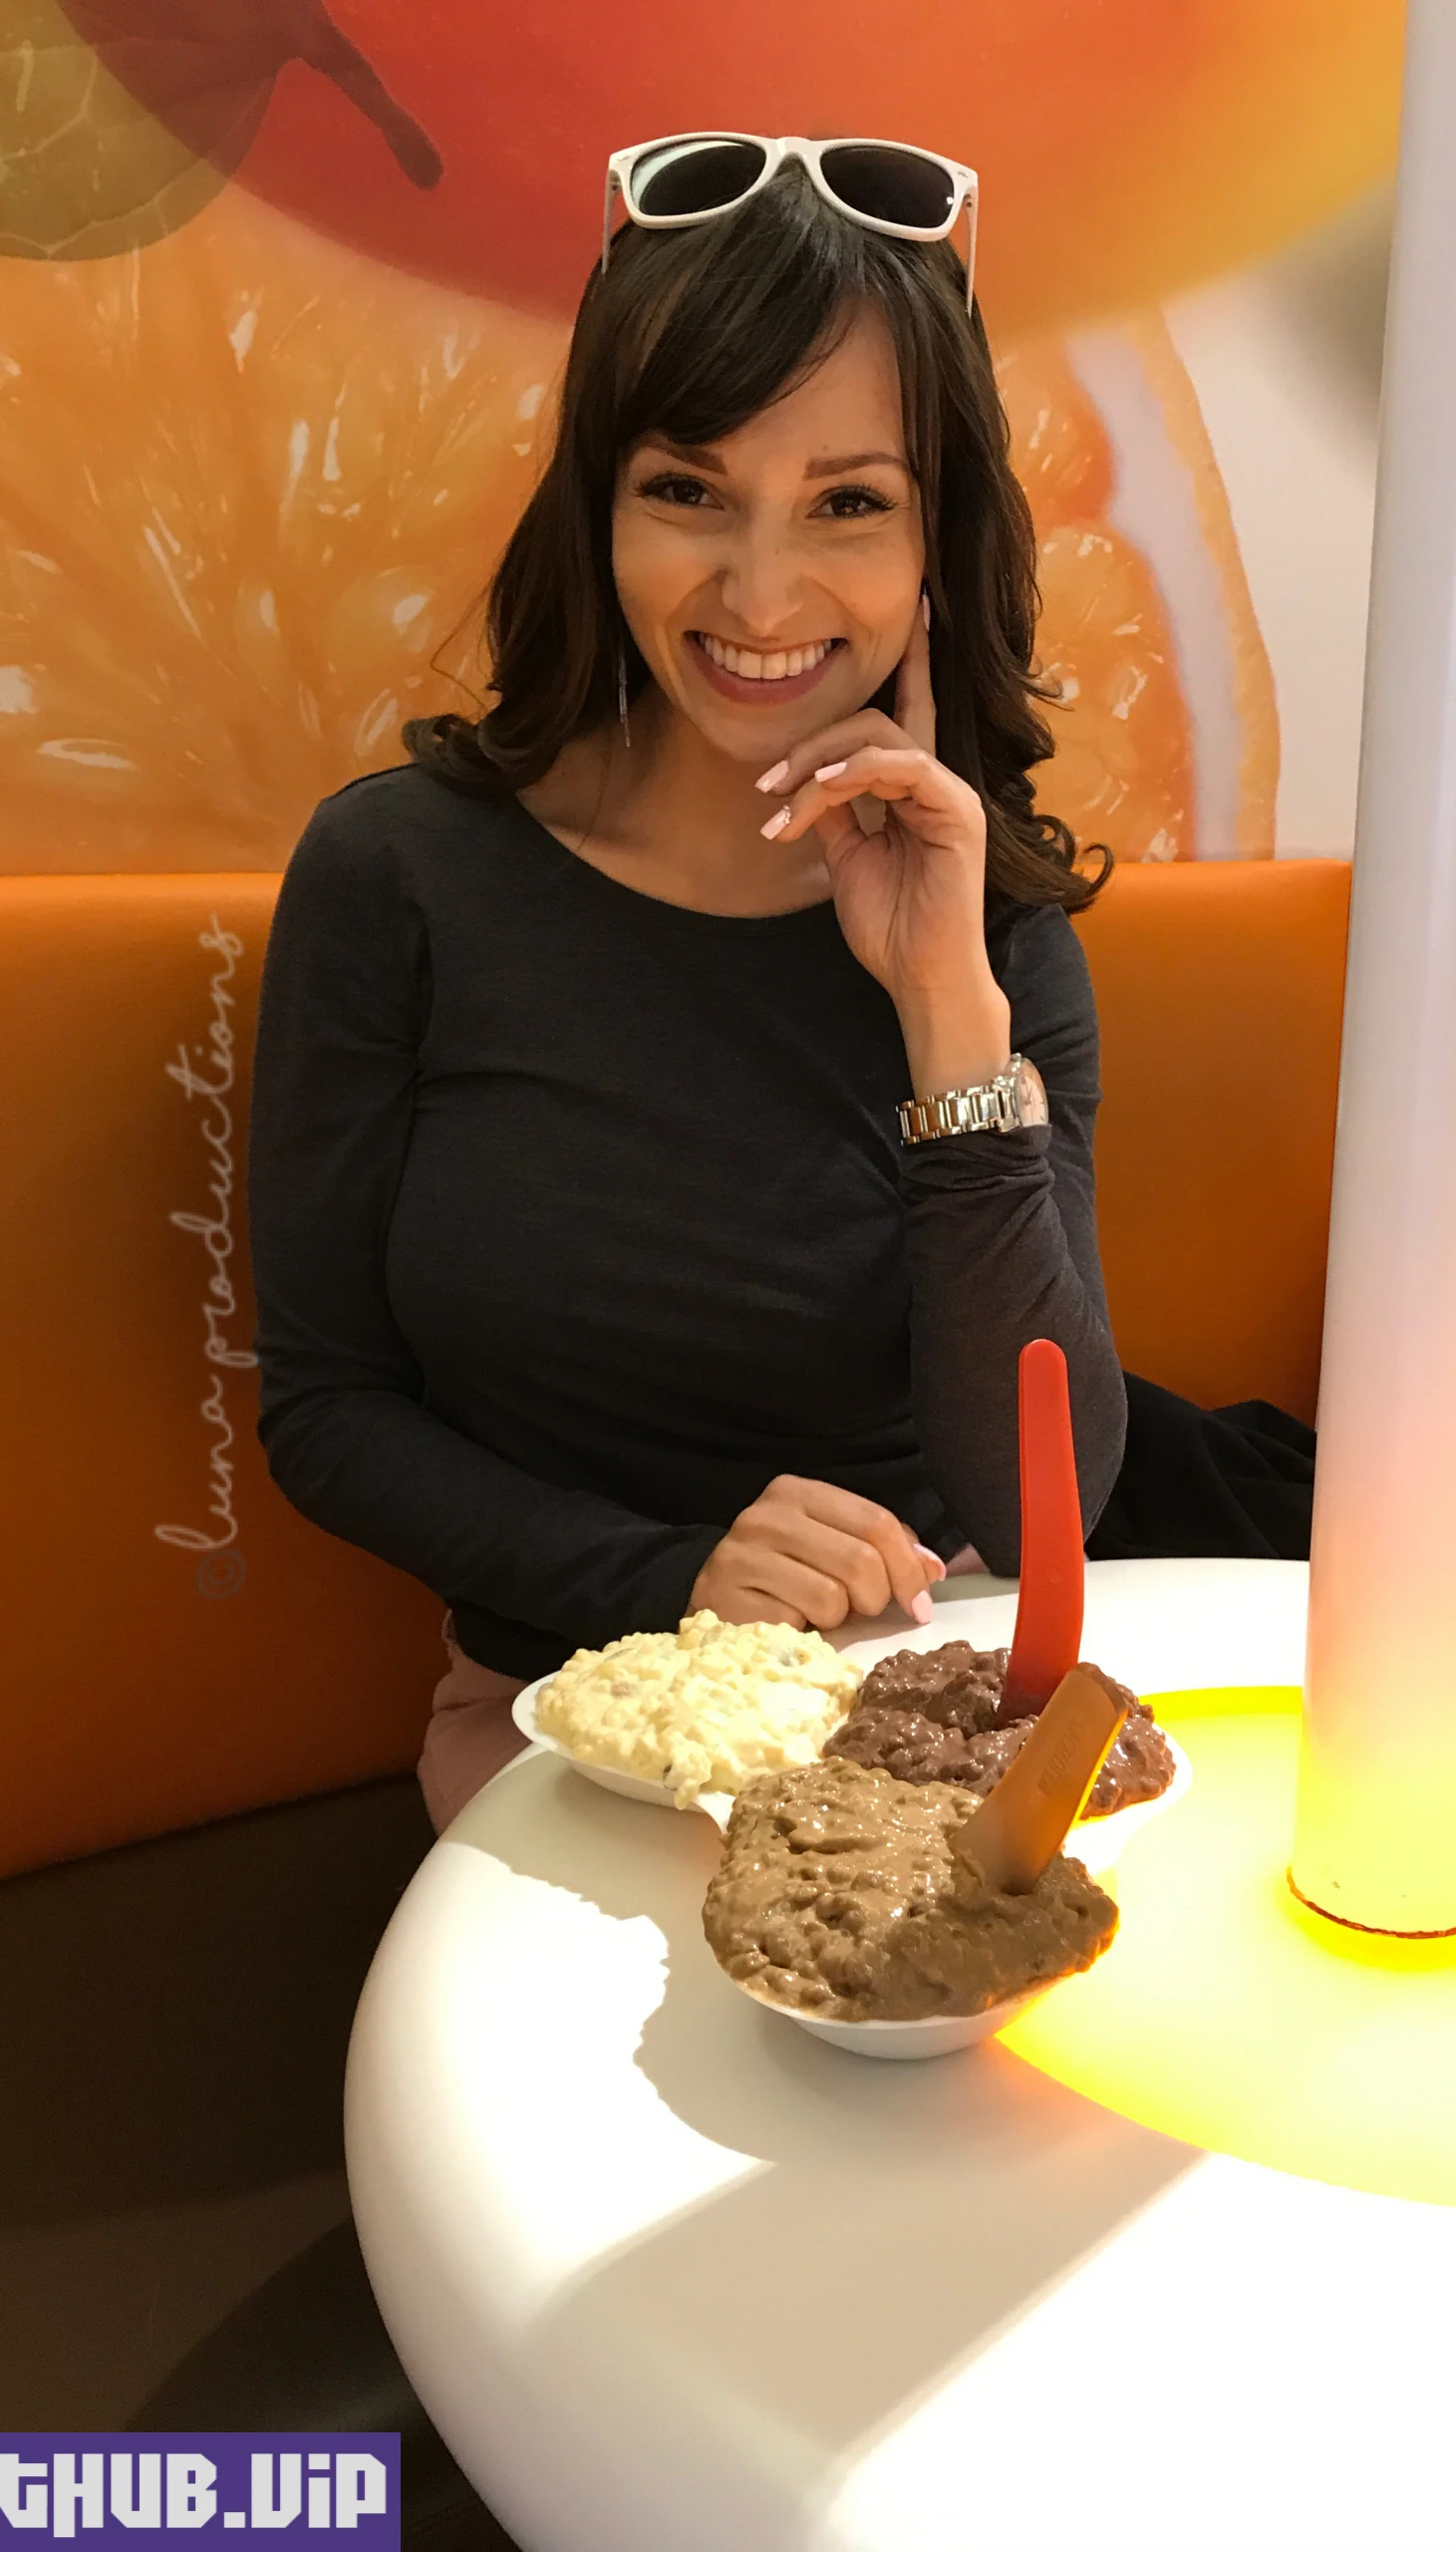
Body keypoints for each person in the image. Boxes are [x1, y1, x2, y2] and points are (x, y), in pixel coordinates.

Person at [251, 138, 1146, 1829]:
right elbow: (327, 1411)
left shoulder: (997, 933)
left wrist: (946, 1008)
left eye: (849, 504)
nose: (760, 592)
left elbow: (1046, 1514)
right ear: (599, 503)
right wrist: (674, 1579)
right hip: (569, 1718)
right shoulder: (400, 878)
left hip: (925, 1704)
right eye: (688, 490)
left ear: (937, 539)